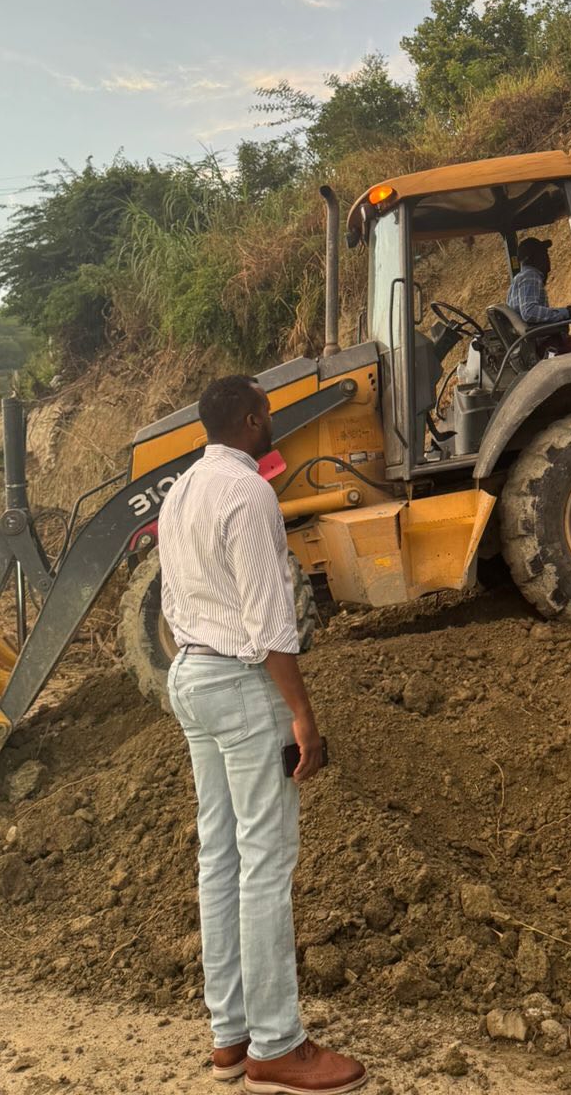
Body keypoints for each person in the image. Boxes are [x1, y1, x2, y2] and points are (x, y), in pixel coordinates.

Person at [158, 375, 366, 1095]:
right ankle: (277, 1044)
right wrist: (301, 712)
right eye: (268, 414)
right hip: (241, 686)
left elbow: (174, 597)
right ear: (251, 421)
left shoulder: (181, 491)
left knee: (219, 857)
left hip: (191, 676)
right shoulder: (248, 493)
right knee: (265, 864)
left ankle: (231, 1037)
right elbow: (269, 620)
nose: (272, 424)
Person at [507, 237, 571, 337]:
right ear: (529, 257)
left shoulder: (517, 280)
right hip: (542, 341)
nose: (548, 258)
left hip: (532, 338)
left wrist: (569, 312)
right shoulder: (530, 276)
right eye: (543, 253)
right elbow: (529, 312)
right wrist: (567, 312)